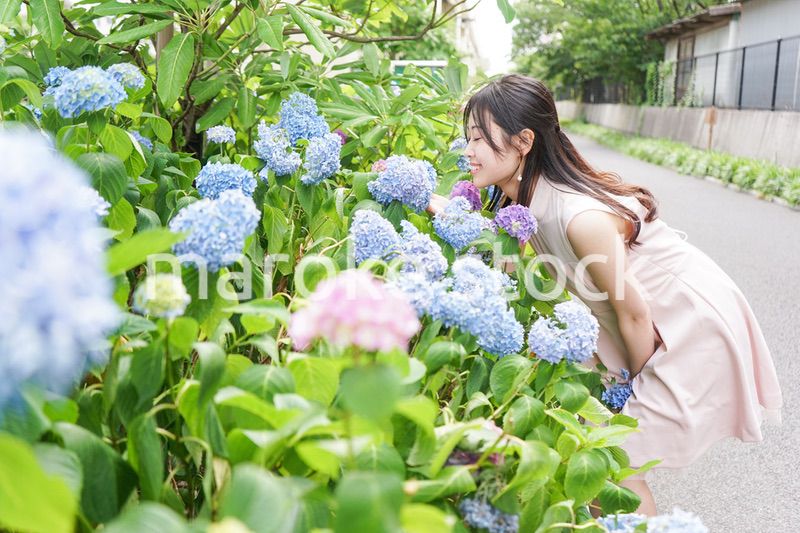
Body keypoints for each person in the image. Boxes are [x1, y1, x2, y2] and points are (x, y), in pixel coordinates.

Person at [428, 74, 783, 515]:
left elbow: (633, 313)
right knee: (595, 453)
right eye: (467, 138)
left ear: (523, 141)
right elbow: (509, 260)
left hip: (685, 325)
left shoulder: (579, 217)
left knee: (612, 461)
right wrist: (441, 207)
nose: (468, 151)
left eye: (479, 139)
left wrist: (632, 391)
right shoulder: (523, 202)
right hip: (636, 323)